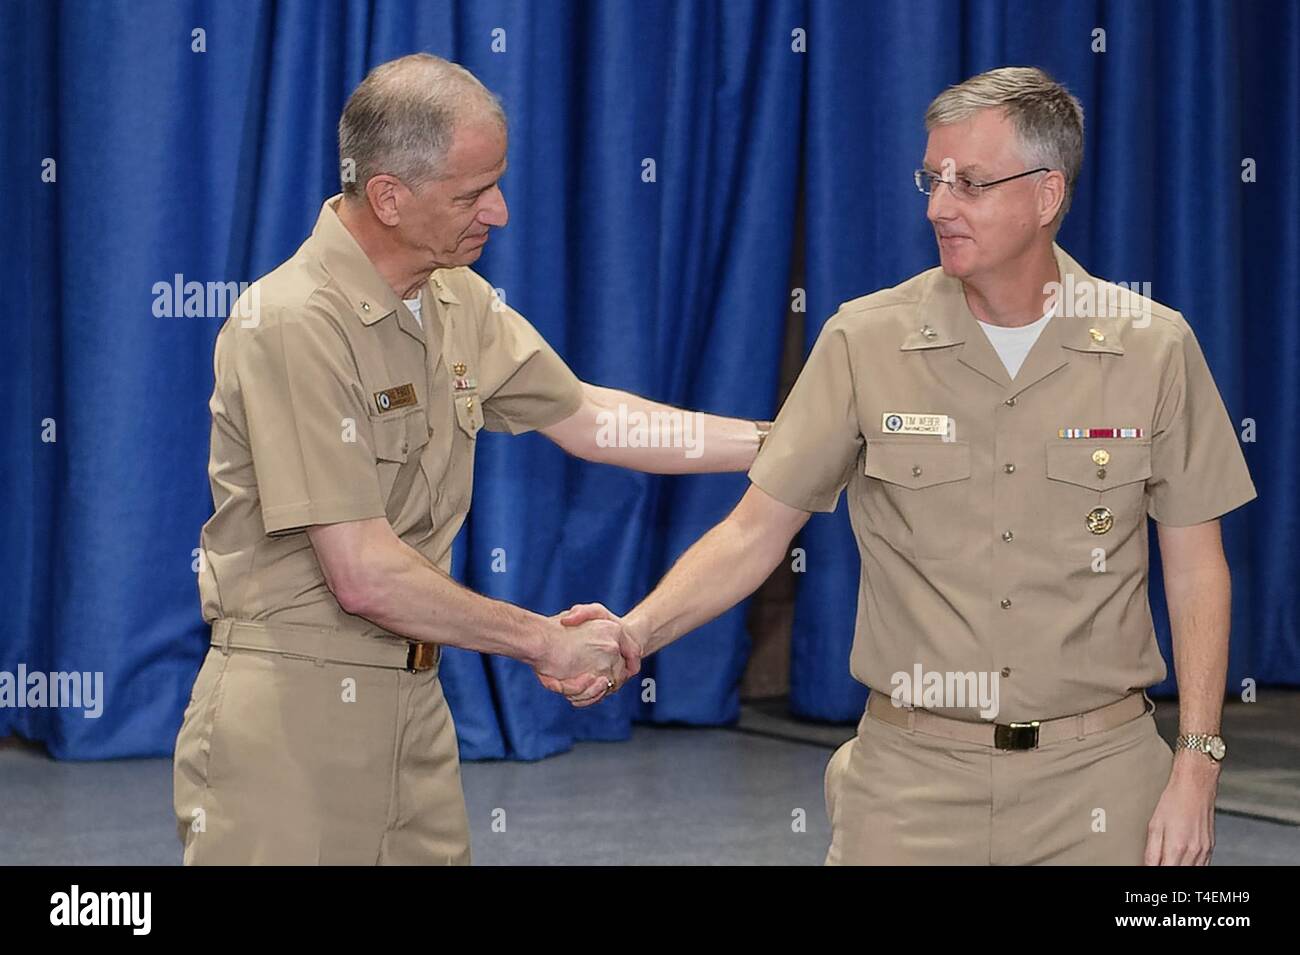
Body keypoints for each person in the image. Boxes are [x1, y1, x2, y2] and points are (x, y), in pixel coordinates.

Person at [557, 67, 1255, 865]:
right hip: (910, 785)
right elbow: (754, 533)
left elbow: (1198, 568)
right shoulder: (864, 341)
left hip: (1101, 780)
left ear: (1047, 194)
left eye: (971, 182)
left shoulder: (1154, 347)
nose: (937, 206)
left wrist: (1197, 761)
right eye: (932, 178)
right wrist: (633, 632)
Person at [173, 53, 770, 865]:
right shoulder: (292, 323)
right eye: (472, 192)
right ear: (388, 195)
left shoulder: (454, 296)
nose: (501, 210)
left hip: (418, 706)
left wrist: (779, 444)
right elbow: (364, 573)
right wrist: (542, 641)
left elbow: (591, 418)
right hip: (292, 717)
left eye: (498, 181)